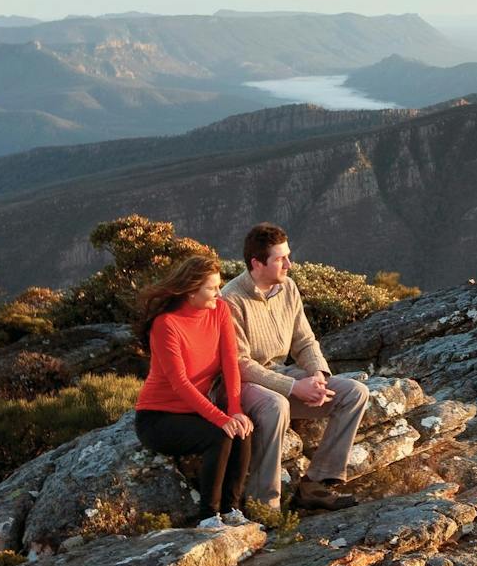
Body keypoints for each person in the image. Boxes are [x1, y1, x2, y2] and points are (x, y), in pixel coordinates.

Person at [221, 222, 367, 512]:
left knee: (355, 393)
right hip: (249, 385)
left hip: (283, 374)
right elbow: (240, 364)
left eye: (288, 255)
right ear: (256, 263)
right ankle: (265, 505)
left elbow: (304, 340)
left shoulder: (287, 287)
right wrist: (294, 387)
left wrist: (317, 375)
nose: (289, 264)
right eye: (280, 258)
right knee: (278, 406)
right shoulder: (231, 299)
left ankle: (315, 484)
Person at [133, 254, 254, 529]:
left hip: (193, 411)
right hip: (158, 418)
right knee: (220, 435)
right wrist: (221, 418)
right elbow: (180, 384)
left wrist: (234, 410)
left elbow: (230, 364)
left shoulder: (219, 310)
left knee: (242, 429)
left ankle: (232, 509)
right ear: (190, 291)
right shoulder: (166, 325)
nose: (219, 292)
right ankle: (209, 517)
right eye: (212, 287)